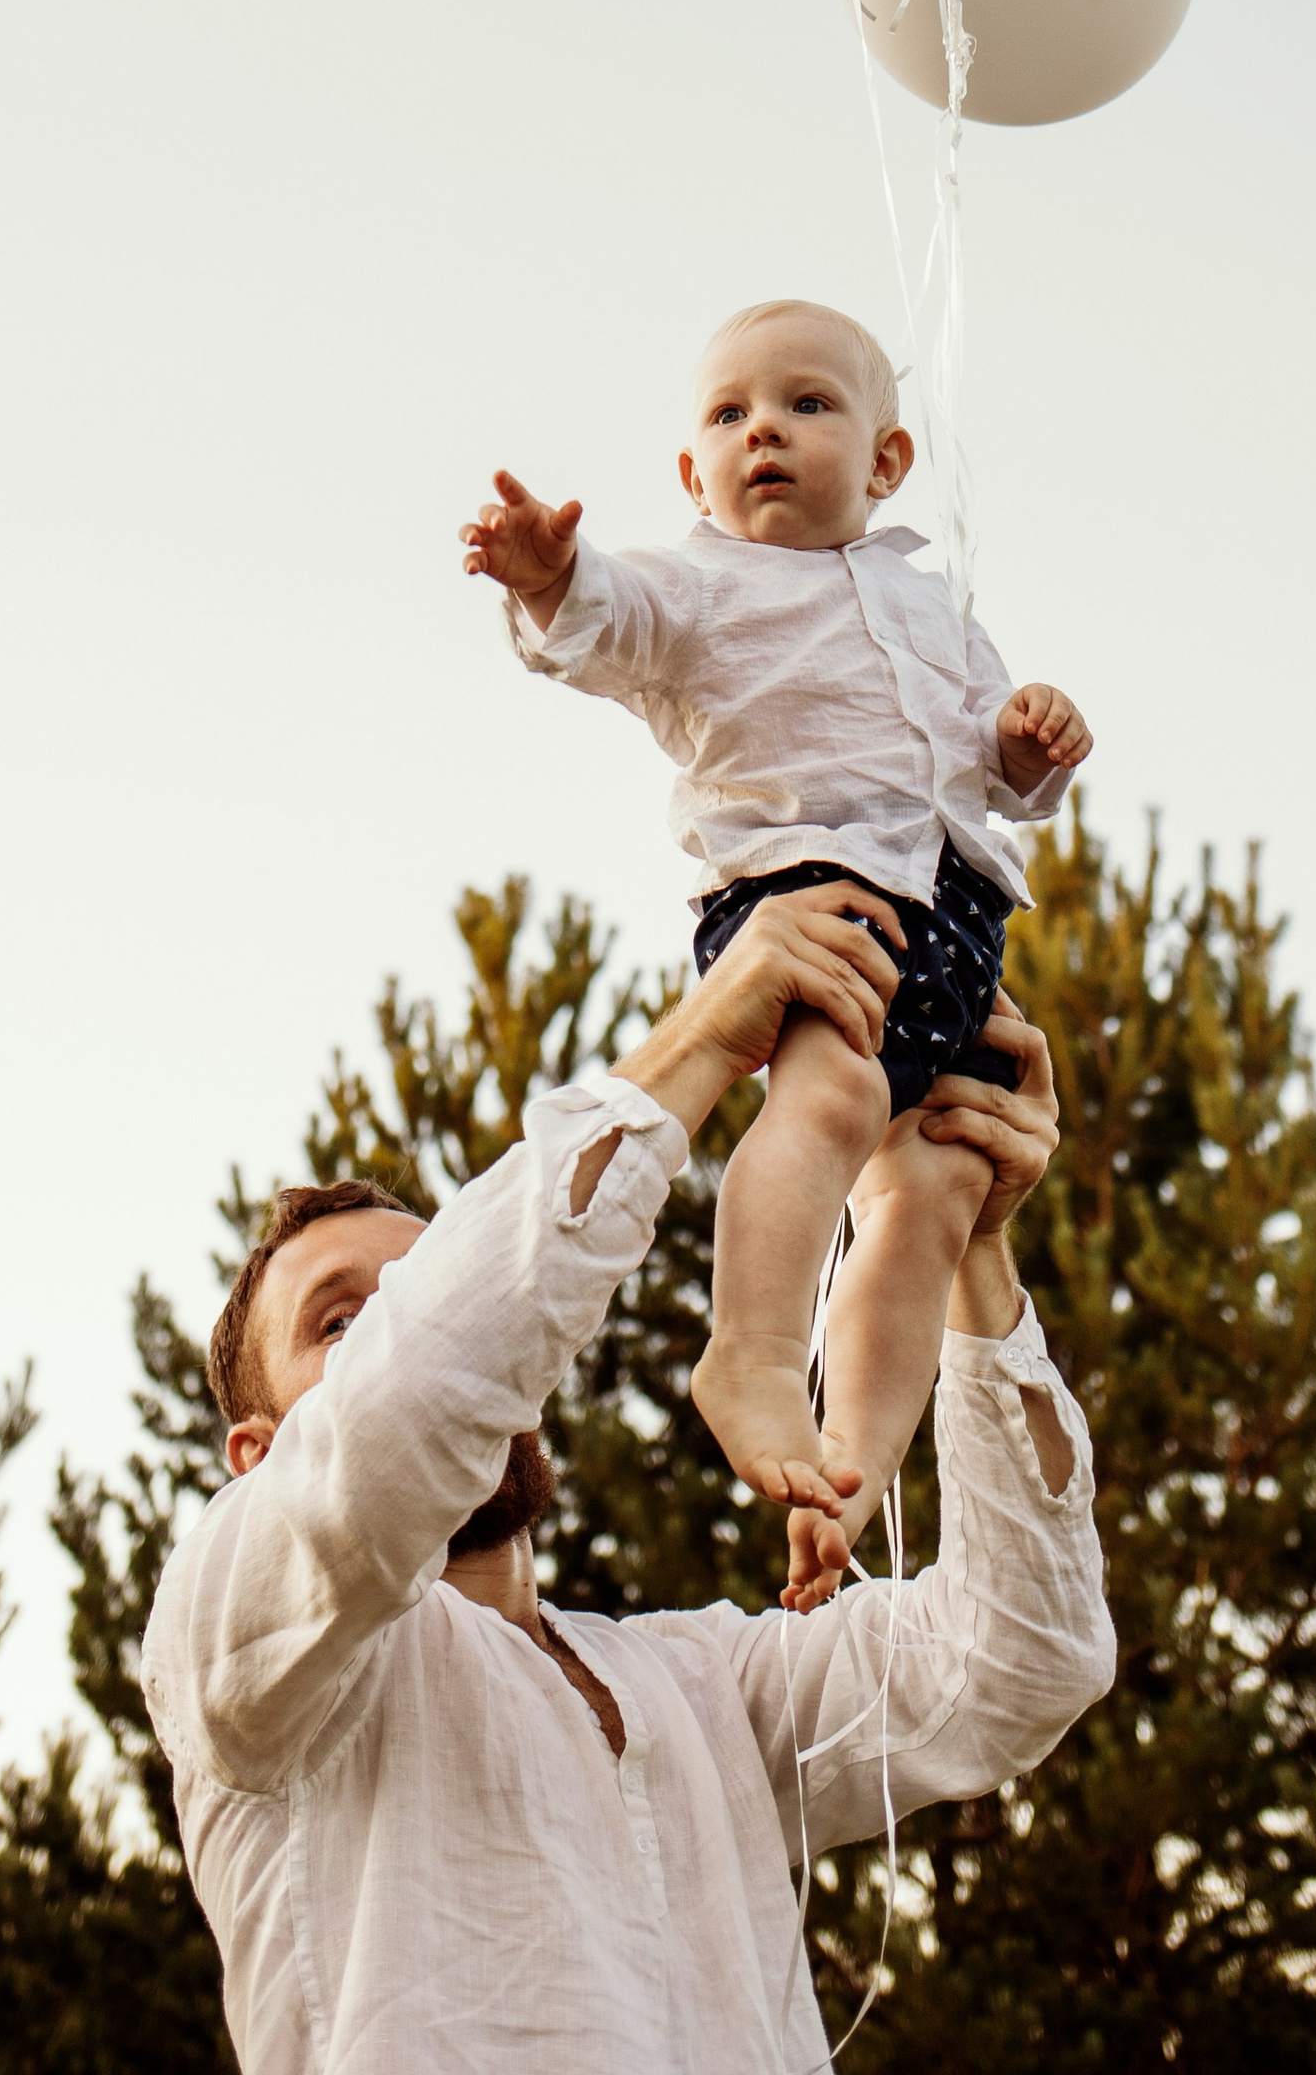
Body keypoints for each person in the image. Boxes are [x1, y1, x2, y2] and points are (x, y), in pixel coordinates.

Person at [142, 883, 1113, 2075]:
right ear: (253, 1452)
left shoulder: (701, 1685)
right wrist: (699, 1040)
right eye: (342, 1321)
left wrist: (970, 1245)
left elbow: (1023, 1658)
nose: (404, 1318)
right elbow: (411, 1402)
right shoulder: (235, 1652)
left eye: (424, 1279)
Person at [462, 297, 1091, 1600]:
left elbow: (997, 762)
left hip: (958, 918)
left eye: (807, 405)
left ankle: (849, 1467)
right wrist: (546, 578)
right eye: (730, 414)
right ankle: (749, 1352)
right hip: (809, 897)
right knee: (831, 1097)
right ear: (692, 475)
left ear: (885, 460)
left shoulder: (932, 605)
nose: (765, 431)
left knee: (935, 1189)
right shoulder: (698, 586)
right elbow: (604, 622)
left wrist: (1030, 738)